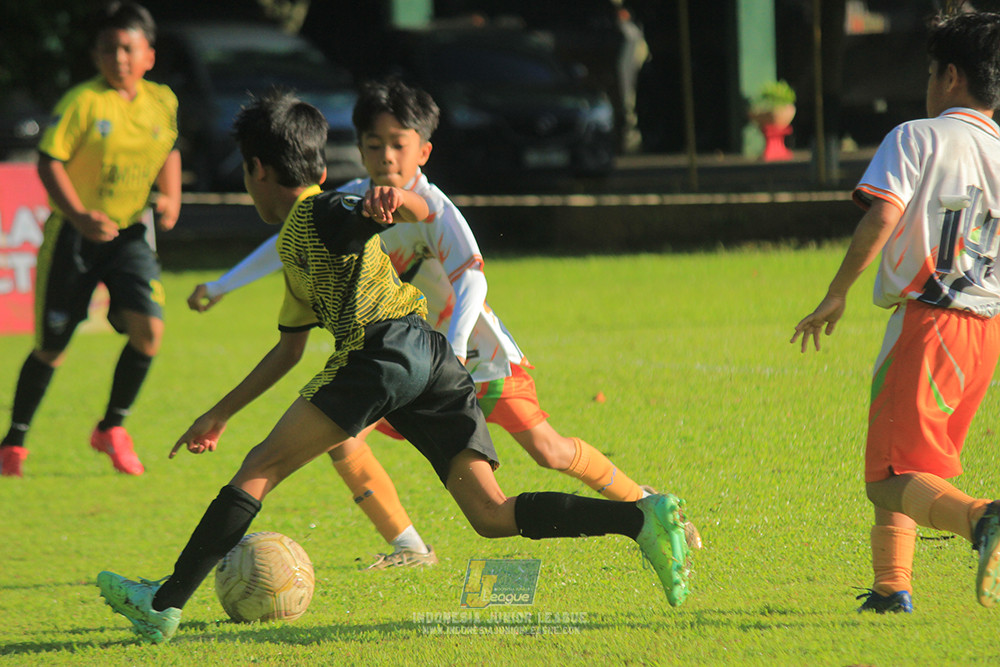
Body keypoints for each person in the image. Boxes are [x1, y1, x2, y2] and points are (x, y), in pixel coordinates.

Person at [96, 89, 695, 644]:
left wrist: (394, 199)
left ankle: (165, 603)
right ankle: (640, 518)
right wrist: (218, 413)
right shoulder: (296, 243)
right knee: (490, 515)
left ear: (255, 169)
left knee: (261, 467)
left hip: (382, 354)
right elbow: (288, 347)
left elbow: (390, 212)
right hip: (431, 362)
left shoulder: (322, 214)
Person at [792, 11, 1000, 614]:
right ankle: (891, 588)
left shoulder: (918, 136)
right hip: (982, 333)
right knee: (906, 461)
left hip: (930, 323)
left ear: (952, 76)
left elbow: (882, 214)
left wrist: (837, 292)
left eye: (933, 73)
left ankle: (982, 520)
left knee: (884, 476)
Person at [0, 1, 181, 478]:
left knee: (150, 332)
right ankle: (14, 440)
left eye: (127, 48)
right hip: (74, 239)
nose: (117, 57)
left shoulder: (162, 101)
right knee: (53, 345)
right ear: (96, 56)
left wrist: (171, 197)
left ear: (148, 56)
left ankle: (111, 429)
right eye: (107, 48)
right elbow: (48, 160)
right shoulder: (82, 102)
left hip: (129, 235)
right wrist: (79, 216)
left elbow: (169, 148)